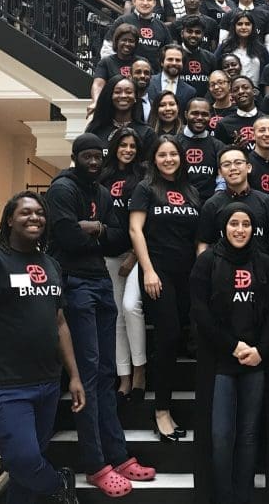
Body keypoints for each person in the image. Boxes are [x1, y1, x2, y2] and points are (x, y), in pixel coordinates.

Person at [0, 191, 82, 504]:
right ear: (9, 219)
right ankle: (59, 483)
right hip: (4, 383)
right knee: (23, 460)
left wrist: (74, 375)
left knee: (26, 469)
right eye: (25, 213)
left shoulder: (50, 264)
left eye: (40, 213)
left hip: (47, 381)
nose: (35, 218)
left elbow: (60, 323)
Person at [46, 135, 156, 496]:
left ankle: (118, 454)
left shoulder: (104, 193)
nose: (94, 162)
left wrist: (92, 229)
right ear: (75, 157)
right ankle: (95, 464)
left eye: (98, 156)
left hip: (100, 282)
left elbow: (119, 239)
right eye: (87, 156)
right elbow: (65, 236)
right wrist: (95, 232)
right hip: (74, 282)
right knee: (89, 374)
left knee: (107, 373)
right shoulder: (62, 189)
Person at [190, 203, 269, 504]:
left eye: (245, 224)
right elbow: (200, 313)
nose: (240, 230)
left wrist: (261, 351)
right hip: (220, 361)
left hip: (255, 360)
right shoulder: (206, 262)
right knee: (222, 436)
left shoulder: (265, 263)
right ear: (223, 227)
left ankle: (245, 497)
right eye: (233, 224)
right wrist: (233, 346)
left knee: (249, 435)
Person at [129, 135, 201, 441]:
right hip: (159, 273)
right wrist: (148, 271)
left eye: (173, 154)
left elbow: (199, 235)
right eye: (162, 155)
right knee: (167, 337)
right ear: (153, 159)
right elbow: (135, 229)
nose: (169, 159)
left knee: (189, 336)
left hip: (189, 274)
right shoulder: (146, 189)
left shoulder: (192, 190)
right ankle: (161, 410)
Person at [100, 129, 147, 403]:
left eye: (132, 146)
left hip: (135, 255)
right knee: (116, 314)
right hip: (108, 255)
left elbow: (145, 221)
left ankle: (140, 370)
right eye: (123, 145)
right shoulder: (103, 178)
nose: (127, 150)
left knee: (131, 307)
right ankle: (124, 376)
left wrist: (134, 256)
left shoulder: (142, 177)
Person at [196, 145, 269, 261]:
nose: (233, 168)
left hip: (259, 273)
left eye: (238, 163)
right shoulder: (212, 205)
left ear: (249, 167)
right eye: (226, 165)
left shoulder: (266, 202)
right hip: (221, 272)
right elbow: (203, 244)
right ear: (220, 172)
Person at [100, 0, 173, 66]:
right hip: (124, 74)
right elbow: (107, 49)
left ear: (154, 3)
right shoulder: (122, 21)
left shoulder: (162, 27)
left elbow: (169, 53)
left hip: (152, 75)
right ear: (134, 1)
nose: (145, 3)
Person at [85, 74, 156, 156]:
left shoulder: (147, 133)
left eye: (128, 92)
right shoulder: (96, 130)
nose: (123, 96)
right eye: (117, 92)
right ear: (110, 96)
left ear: (135, 97)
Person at [179, 98, 226, 203]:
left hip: (209, 205)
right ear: (186, 115)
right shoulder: (174, 144)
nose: (199, 118)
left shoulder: (218, 146)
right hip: (179, 203)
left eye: (204, 114)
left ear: (210, 116)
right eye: (195, 113)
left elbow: (223, 177)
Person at [216, 13, 269, 89]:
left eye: (247, 24)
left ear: (253, 26)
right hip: (230, 93)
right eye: (240, 24)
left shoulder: (261, 49)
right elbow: (215, 68)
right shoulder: (224, 47)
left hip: (255, 94)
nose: (244, 27)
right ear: (234, 26)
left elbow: (268, 73)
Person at [91, 25, 142, 106]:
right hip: (112, 105)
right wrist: (96, 102)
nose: (127, 44)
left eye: (131, 41)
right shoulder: (106, 62)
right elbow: (98, 84)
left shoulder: (142, 62)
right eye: (124, 40)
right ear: (116, 41)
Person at [146, 44, 196, 112]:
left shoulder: (190, 91)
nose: (174, 63)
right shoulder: (148, 83)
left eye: (178, 60)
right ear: (162, 62)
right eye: (170, 59)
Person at [175, 15, 216, 97]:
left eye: (197, 32)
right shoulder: (174, 56)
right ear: (182, 33)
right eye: (189, 31)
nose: (193, 35)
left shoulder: (210, 58)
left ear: (203, 35)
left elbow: (214, 85)